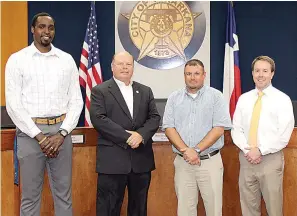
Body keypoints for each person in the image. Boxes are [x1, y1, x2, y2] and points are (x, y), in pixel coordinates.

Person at [5, 12, 83, 216]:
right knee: (30, 197)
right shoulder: (17, 60)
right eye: (41, 26)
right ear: (33, 29)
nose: (46, 31)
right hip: (30, 134)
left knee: (64, 196)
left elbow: (76, 101)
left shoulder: (66, 60)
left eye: (50, 27)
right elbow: (13, 105)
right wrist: (39, 137)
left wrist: (62, 134)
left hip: (61, 134)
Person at [89, 51, 160, 216]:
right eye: (120, 63)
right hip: (112, 162)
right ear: (112, 67)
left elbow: (154, 118)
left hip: (141, 162)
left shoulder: (145, 91)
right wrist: (128, 137)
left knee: (139, 209)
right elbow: (99, 119)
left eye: (128, 64)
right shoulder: (100, 90)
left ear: (133, 68)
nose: (124, 67)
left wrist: (140, 135)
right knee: (108, 209)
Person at [162, 59, 232, 216]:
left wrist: (197, 149)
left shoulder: (216, 97)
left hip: (210, 162)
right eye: (188, 74)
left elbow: (219, 128)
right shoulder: (174, 98)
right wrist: (187, 150)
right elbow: (168, 127)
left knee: (214, 209)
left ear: (204, 75)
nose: (192, 77)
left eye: (196, 74)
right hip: (183, 162)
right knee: (185, 210)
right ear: (184, 75)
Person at [231, 55, 294, 216]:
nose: (260, 74)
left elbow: (284, 134)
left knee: (274, 208)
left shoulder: (282, 99)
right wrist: (248, 151)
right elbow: (236, 129)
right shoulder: (244, 99)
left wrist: (260, 150)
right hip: (246, 159)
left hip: (270, 159)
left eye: (265, 71)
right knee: (248, 208)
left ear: (272, 74)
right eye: (257, 71)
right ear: (252, 73)